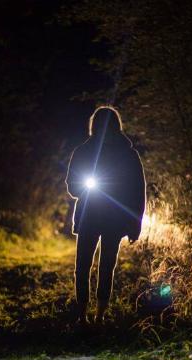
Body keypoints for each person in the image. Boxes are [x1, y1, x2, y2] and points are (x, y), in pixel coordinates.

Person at [65, 106, 146, 323]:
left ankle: (96, 316)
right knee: (87, 266)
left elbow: (138, 192)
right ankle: (86, 316)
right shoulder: (89, 152)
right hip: (99, 218)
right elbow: (73, 187)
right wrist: (134, 223)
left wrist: (135, 224)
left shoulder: (125, 155)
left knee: (99, 266)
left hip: (106, 219)